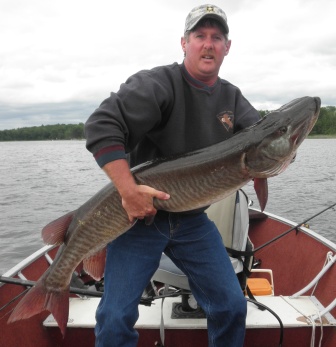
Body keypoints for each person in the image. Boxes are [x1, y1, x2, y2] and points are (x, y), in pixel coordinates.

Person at [85, 4, 260, 346]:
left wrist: (284, 151)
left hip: (191, 221)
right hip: (139, 219)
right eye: (200, 36)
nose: (208, 44)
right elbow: (101, 125)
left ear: (227, 46)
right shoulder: (158, 84)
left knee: (231, 305)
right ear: (184, 43)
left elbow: (261, 140)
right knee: (114, 318)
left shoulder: (231, 98)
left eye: (216, 37)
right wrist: (128, 191)